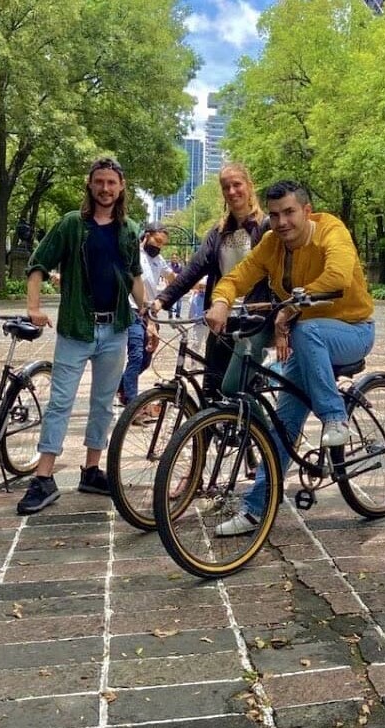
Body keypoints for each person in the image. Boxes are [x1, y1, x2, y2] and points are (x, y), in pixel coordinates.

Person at [203, 180, 375, 535]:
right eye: (276, 214)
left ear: (307, 211)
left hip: (352, 330)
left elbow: (338, 275)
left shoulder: (331, 230)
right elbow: (238, 276)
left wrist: (292, 306)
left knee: (304, 331)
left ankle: (334, 418)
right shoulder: (272, 245)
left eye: (290, 213)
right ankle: (255, 510)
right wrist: (221, 300)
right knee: (281, 426)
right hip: (306, 337)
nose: (282, 222)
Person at [19, 157, 147, 515]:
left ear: (121, 187)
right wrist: (34, 307)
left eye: (112, 182)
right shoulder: (72, 225)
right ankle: (43, 477)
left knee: (103, 403)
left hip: (115, 329)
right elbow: (38, 263)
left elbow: (134, 275)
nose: (106, 189)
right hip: (78, 328)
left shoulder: (129, 230)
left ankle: (92, 469)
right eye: (100, 182)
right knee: (61, 401)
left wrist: (147, 311)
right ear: (90, 185)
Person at [149, 162, 273, 397]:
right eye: (226, 187)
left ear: (249, 186)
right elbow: (193, 270)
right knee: (210, 393)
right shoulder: (218, 232)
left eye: (237, 185)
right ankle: (207, 434)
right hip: (220, 319)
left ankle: (265, 434)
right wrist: (161, 301)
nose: (232, 191)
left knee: (238, 392)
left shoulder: (266, 227)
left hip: (253, 320)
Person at [119, 223, 173, 408]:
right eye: (157, 241)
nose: (158, 247)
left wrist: (196, 283)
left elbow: (173, 277)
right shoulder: (134, 254)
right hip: (133, 310)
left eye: (162, 244)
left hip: (151, 313)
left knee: (145, 359)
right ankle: (132, 405)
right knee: (135, 355)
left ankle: (119, 387)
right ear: (147, 235)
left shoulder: (159, 259)